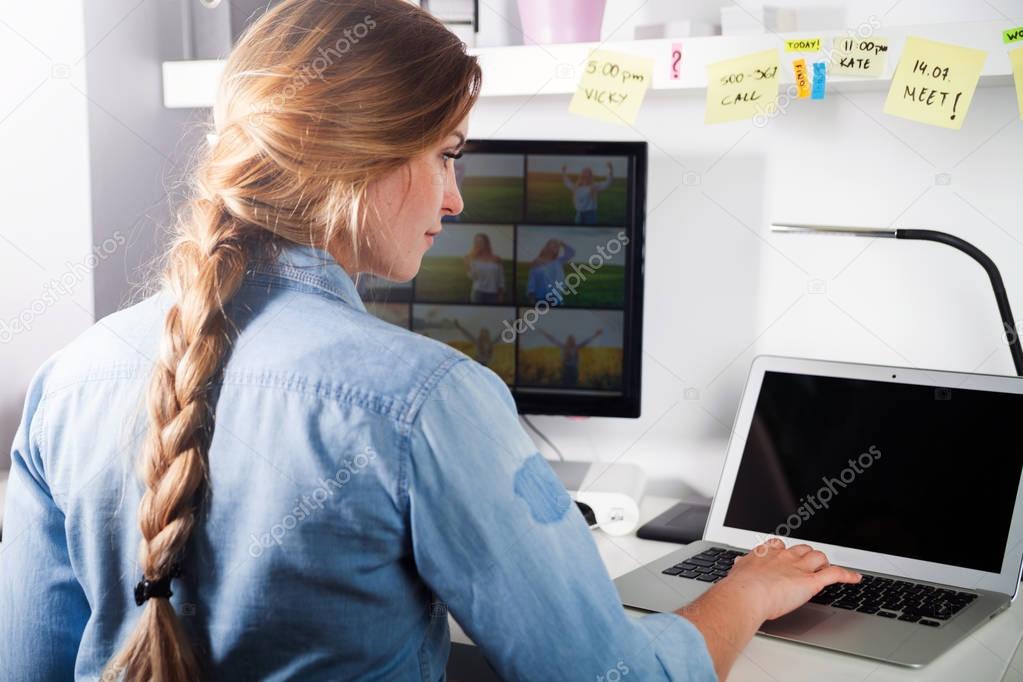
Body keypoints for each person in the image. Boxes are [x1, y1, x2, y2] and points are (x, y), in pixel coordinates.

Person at [0, 1, 860, 680]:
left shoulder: (68, 379)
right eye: (445, 155)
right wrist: (745, 590)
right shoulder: (425, 401)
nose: (453, 201)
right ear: (364, 161)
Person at [562, 161, 614, 225]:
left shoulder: (594, 186)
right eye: (584, 173)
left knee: (591, 233)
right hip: (579, 214)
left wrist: (611, 169)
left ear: (590, 175)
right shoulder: (576, 187)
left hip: (590, 215)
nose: (586, 175)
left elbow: (608, 183)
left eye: (588, 173)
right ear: (581, 175)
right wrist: (563, 171)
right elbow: (567, 182)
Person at [526, 238, 574, 305]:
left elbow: (571, 252)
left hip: (556, 297)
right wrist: (531, 297)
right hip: (540, 298)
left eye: (557, 246)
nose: (556, 247)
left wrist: (562, 243)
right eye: (554, 245)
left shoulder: (558, 261)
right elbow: (532, 282)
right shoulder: (537, 262)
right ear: (547, 247)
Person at [463, 232, 504, 303]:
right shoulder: (473, 259)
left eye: (481, 241)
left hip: (493, 293)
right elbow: (473, 277)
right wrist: (467, 266)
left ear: (486, 243)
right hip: (478, 292)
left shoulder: (496, 258)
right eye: (476, 242)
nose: (478, 244)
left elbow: (501, 278)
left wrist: (501, 293)